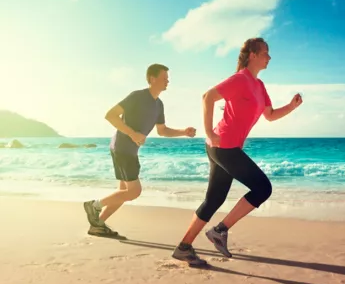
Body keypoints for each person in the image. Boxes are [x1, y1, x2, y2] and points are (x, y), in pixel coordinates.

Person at [172, 38, 303, 265]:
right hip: (223, 146)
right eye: (265, 53)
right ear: (252, 54)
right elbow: (208, 97)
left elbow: (270, 115)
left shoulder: (259, 86)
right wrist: (209, 132)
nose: (269, 58)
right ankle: (220, 230)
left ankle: (184, 247)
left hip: (223, 148)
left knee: (213, 200)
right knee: (263, 188)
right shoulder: (240, 79)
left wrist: (291, 107)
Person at [83, 63, 196, 238]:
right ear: (152, 79)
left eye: (168, 78)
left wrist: (183, 132)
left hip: (129, 150)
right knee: (134, 192)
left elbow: (162, 130)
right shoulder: (137, 96)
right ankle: (95, 205)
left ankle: (98, 225)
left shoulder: (159, 105)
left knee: (123, 193)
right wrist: (133, 133)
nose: (168, 81)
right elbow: (110, 115)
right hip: (122, 147)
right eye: (164, 77)